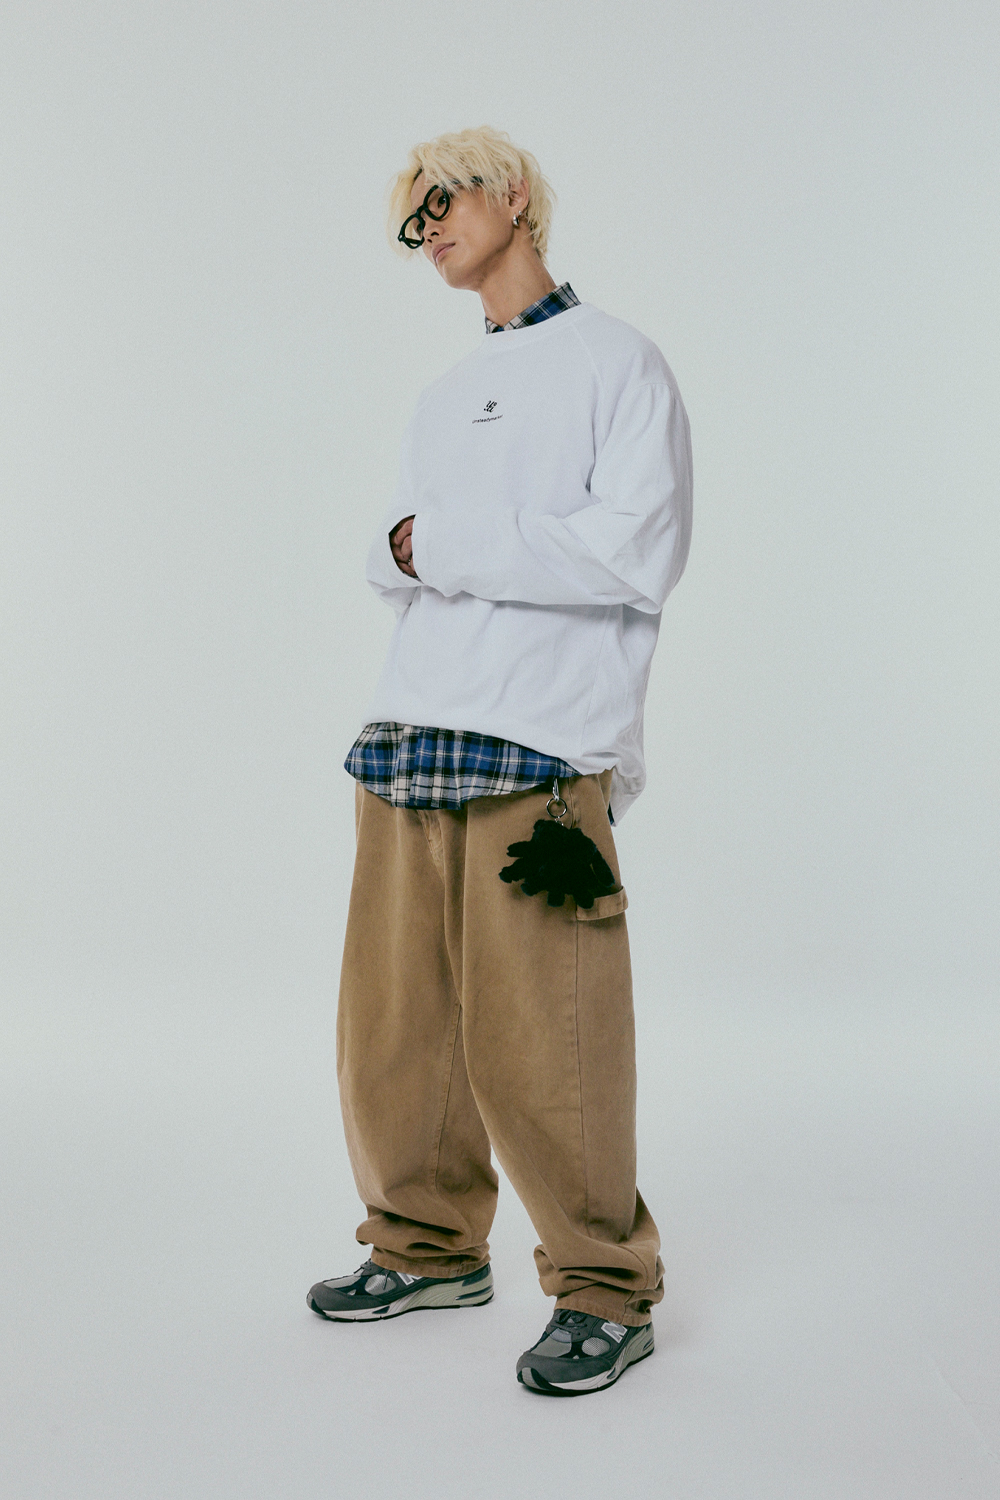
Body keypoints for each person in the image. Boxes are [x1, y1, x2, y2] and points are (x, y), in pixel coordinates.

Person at [307, 125, 693, 1396]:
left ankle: (604, 1287)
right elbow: (388, 553)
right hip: (408, 735)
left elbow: (629, 553)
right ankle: (424, 1247)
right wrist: (429, 545)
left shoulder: (619, 363)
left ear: (511, 192)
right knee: (393, 1031)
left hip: (542, 753)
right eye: (411, 222)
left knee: (551, 1039)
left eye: (441, 203)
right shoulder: (440, 394)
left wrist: (444, 543)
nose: (427, 233)